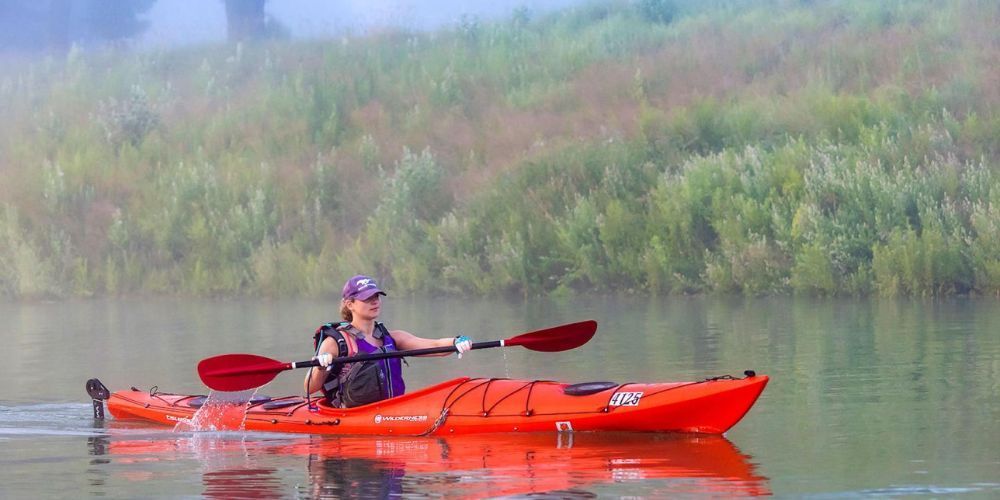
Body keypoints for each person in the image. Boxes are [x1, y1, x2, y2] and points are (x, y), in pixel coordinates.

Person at [304, 275, 472, 407]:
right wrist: (320, 367)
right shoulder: (336, 343)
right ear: (350, 304)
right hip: (358, 416)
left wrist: (456, 341)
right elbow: (309, 388)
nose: (375, 301)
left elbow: (435, 346)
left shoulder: (393, 338)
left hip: (395, 410)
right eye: (367, 298)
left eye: (377, 296)